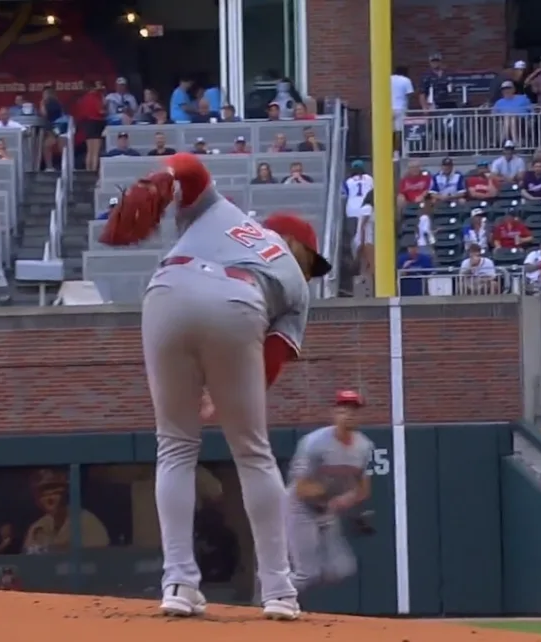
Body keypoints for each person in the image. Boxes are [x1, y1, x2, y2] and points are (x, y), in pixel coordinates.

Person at [98, 153, 330, 621]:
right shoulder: (297, 286)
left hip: (167, 289)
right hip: (239, 301)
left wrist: (161, 174)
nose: (312, 268)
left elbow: (191, 168)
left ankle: (179, 583)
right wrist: (224, 399)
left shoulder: (218, 211)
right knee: (252, 452)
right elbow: (272, 358)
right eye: (312, 257)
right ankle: (279, 591)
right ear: (290, 240)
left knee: (176, 447)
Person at [284, 390, 374, 593]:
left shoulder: (364, 446)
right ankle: (269, 596)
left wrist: (345, 500)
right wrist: (329, 494)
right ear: (334, 413)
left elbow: (363, 488)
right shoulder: (314, 442)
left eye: (354, 410)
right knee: (307, 574)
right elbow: (301, 488)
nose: (349, 414)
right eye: (343, 409)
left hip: (326, 509)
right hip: (300, 507)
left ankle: (278, 585)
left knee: (342, 569)